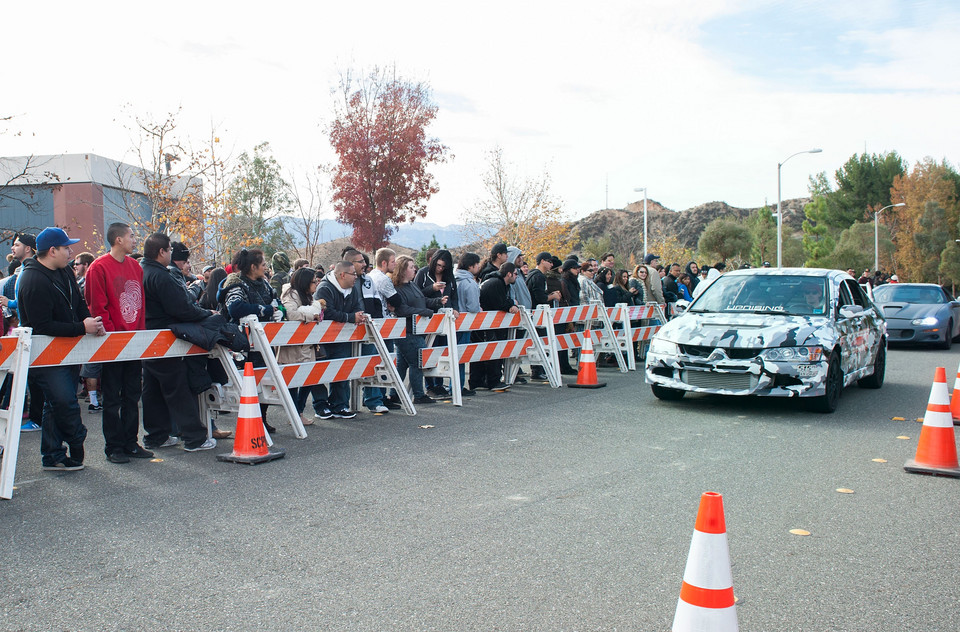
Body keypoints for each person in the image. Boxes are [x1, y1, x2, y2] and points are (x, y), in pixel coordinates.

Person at [17, 227, 105, 471]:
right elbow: (42, 325)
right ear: (52, 251)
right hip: (46, 354)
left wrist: (91, 323)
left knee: (55, 405)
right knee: (64, 402)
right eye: (66, 248)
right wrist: (81, 327)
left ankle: (53, 456)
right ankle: (76, 441)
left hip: (69, 349)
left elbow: (78, 302)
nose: (71, 252)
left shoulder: (64, 271)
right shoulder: (32, 280)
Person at [140, 232, 219, 452]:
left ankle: (156, 435)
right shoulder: (162, 276)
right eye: (169, 250)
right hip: (164, 337)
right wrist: (206, 314)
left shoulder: (140, 271)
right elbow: (182, 308)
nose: (172, 254)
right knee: (177, 387)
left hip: (144, 337)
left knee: (152, 388)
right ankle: (194, 437)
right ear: (161, 252)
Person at [84, 223, 153, 464]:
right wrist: (113, 337)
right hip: (113, 342)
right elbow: (97, 306)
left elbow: (141, 304)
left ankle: (130, 442)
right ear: (118, 240)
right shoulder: (98, 267)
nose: (135, 240)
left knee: (132, 395)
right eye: (131, 236)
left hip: (134, 339)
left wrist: (140, 334)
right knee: (112, 397)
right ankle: (113, 446)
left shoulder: (135, 266)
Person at [218, 248, 282, 431]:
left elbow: (277, 303)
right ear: (253, 267)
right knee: (249, 383)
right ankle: (250, 419)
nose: (265, 268)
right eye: (263, 264)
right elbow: (235, 308)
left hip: (265, 339)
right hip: (243, 343)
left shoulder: (266, 284)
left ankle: (262, 418)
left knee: (265, 379)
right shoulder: (236, 285)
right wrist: (265, 310)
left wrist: (278, 311)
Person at [391, 255, 447, 404]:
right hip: (407, 332)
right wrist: (423, 312)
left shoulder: (412, 285)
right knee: (418, 362)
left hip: (417, 330)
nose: (414, 269)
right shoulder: (397, 289)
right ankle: (419, 395)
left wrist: (437, 302)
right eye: (410, 267)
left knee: (402, 365)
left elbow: (423, 300)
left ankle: (394, 394)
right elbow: (402, 309)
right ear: (402, 270)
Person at [315, 260, 367, 418]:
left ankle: (340, 405)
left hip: (343, 338)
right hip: (322, 338)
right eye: (353, 274)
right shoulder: (325, 288)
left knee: (343, 370)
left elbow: (357, 306)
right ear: (342, 275)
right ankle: (321, 405)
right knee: (318, 372)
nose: (356, 277)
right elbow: (327, 312)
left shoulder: (352, 289)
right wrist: (351, 317)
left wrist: (358, 315)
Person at [278, 267, 325, 426]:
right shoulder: (290, 294)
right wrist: (312, 316)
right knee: (293, 381)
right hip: (293, 346)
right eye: (313, 282)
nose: (316, 285)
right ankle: (295, 414)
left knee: (309, 379)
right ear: (305, 282)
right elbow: (291, 315)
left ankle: (298, 412)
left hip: (307, 345)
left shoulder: (307, 296)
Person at [415, 249, 458, 398]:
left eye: (443, 267)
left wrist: (456, 309)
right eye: (438, 265)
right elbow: (416, 294)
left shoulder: (450, 277)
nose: (440, 268)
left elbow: (454, 295)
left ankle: (439, 384)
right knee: (429, 350)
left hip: (445, 319)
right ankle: (430, 385)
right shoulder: (423, 273)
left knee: (442, 350)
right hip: (429, 318)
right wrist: (432, 288)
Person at [473, 262, 520, 390]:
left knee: (484, 351)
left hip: (486, 322)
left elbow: (503, 301)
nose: (517, 277)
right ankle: (492, 381)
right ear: (509, 274)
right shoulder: (496, 283)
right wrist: (511, 304)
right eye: (515, 274)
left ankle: (478, 380)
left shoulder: (498, 283)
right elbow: (500, 303)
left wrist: (510, 303)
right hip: (485, 322)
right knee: (492, 350)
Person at [369, 247, 402, 410]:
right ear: (384, 262)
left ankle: (380, 396)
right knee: (385, 361)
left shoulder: (371, 277)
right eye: (393, 261)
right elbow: (397, 300)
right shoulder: (382, 279)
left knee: (380, 362)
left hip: (379, 323)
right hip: (384, 324)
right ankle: (379, 397)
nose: (395, 264)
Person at [526, 252, 563, 380]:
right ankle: (537, 370)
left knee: (537, 342)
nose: (551, 264)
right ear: (542, 261)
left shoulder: (532, 274)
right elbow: (540, 297)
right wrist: (553, 296)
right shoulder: (538, 277)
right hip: (537, 314)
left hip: (533, 314)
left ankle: (538, 370)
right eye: (549, 261)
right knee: (539, 342)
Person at [453, 252, 482, 397]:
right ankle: (458, 385)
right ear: (471, 266)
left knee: (453, 354)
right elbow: (473, 306)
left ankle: (455, 385)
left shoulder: (454, 279)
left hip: (454, 322)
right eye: (477, 264)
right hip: (465, 323)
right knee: (461, 355)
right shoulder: (469, 283)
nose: (478, 267)